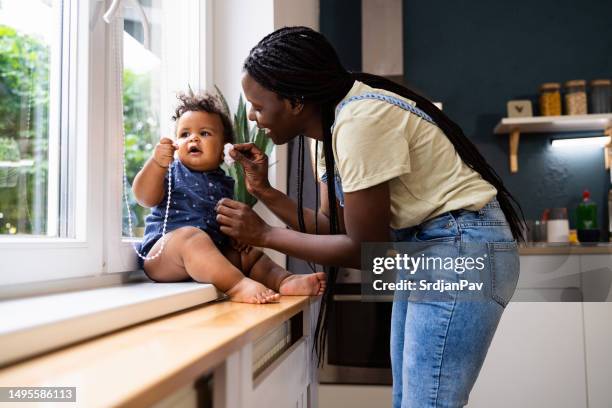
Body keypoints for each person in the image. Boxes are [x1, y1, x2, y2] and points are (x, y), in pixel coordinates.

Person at [215, 27, 522, 406]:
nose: (252, 115)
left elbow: (366, 250)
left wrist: (264, 234)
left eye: (259, 105)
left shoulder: (360, 121)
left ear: (295, 101)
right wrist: (264, 191)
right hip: (429, 249)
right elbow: (334, 228)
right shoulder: (325, 137)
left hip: (461, 248)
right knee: (408, 400)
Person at [132, 91, 326, 304]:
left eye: (204, 133)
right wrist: (156, 163)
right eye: (184, 134)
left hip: (207, 259)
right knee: (190, 237)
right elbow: (144, 197)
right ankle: (237, 286)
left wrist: (235, 237)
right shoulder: (170, 171)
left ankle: (284, 280)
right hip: (165, 255)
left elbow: (223, 221)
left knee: (250, 255)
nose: (193, 138)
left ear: (224, 147)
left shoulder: (224, 183)